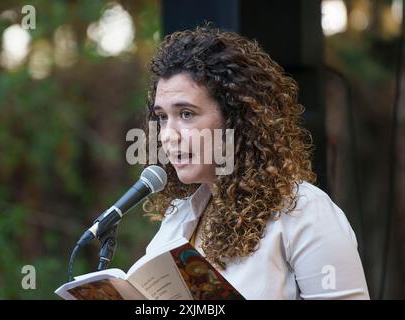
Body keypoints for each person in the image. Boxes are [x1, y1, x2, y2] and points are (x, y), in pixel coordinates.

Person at [142, 25, 370, 300]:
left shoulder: (305, 214)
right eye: (162, 117)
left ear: (236, 119)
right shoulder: (177, 218)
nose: (168, 135)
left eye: (187, 114)